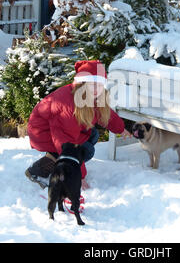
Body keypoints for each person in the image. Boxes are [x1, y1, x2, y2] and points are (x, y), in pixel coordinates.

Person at [25, 59, 131, 189]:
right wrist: (79, 176)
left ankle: (58, 161)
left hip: (60, 131)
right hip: (43, 134)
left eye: (99, 84)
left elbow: (105, 113)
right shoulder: (68, 106)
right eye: (92, 84)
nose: (96, 89)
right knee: (87, 150)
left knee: (93, 135)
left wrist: (121, 129)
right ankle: (41, 170)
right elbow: (66, 141)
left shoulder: (92, 96)